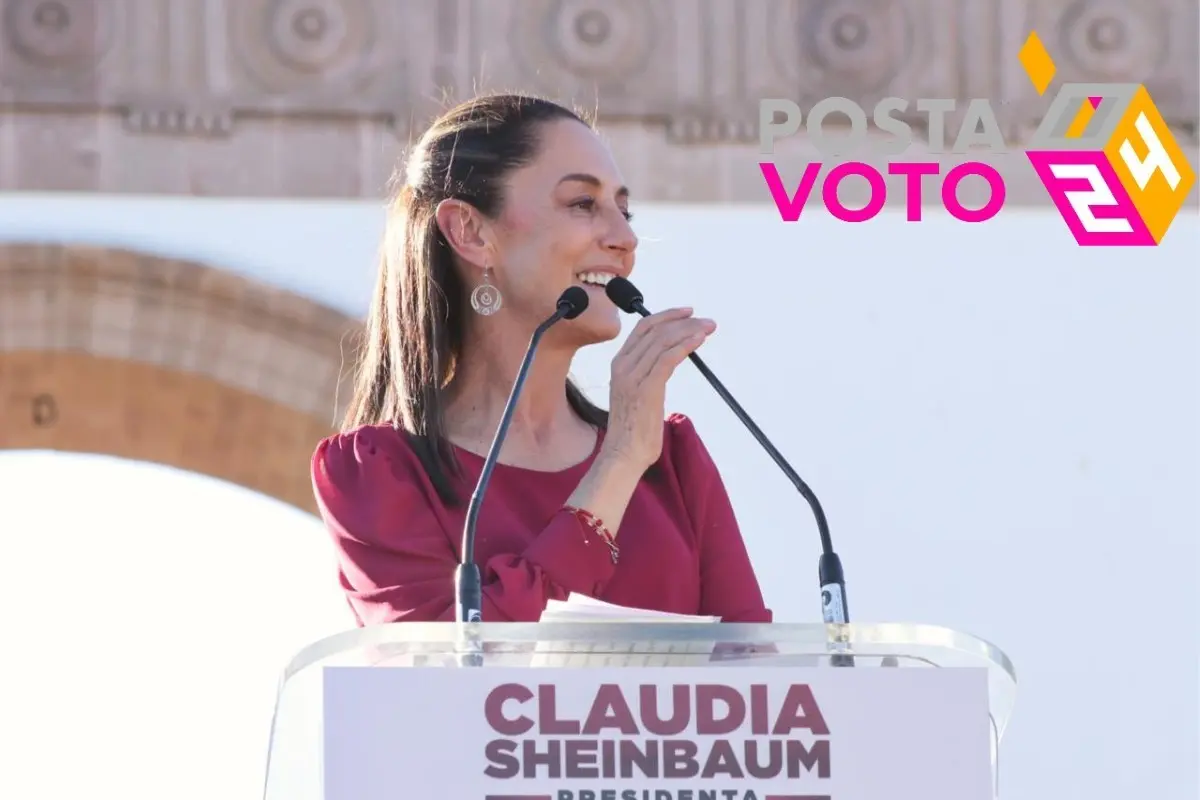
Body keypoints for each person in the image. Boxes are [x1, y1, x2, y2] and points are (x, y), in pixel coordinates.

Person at [311, 93, 771, 627]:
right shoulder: (377, 475)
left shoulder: (672, 461)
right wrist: (619, 461)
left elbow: (751, 676)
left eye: (624, 210)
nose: (624, 239)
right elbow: (449, 680)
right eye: (582, 204)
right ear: (471, 232)